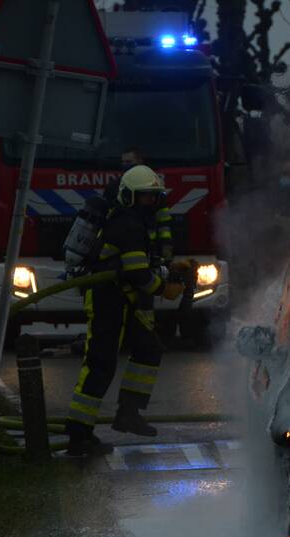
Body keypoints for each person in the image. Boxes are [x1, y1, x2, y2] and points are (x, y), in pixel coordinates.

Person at [65, 165, 186, 457]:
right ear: (129, 197)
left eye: (154, 198)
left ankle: (129, 413)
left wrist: (168, 270)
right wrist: (164, 289)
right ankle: (78, 435)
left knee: (148, 349)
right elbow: (136, 273)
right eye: (145, 198)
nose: (150, 204)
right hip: (107, 300)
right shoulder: (127, 224)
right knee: (101, 363)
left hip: (125, 299)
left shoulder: (134, 221)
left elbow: (138, 265)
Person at [103, 147, 174, 261]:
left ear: (140, 162)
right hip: (123, 248)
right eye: (123, 162)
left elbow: (163, 221)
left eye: (129, 162)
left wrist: (166, 246)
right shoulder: (113, 187)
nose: (125, 165)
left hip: (150, 247)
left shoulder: (154, 187)